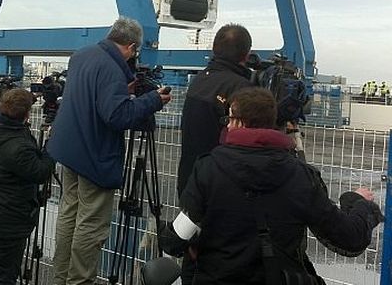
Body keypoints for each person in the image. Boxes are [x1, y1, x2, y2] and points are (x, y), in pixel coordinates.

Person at [160, 87, 384, 285]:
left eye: (229, 119)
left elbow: (177, 239)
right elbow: (349, 239)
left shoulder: (208, 169)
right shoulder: (301, 176)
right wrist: (358, 203)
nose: (227, 125)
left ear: (239, 122)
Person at [48, 17, 171, 285]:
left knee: (70, 213)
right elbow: (117, 116)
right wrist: (152, 100)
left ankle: (61, 277)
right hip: (94, 153)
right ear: (131, 46)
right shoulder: (111, 69)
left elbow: (93, 99)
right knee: (91, 223)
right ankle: (80, 280)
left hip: (69, 149)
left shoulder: (82, 56)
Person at [176, 24, 252, 283]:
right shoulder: (241, 88)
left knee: (192, 255)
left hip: (190, 183)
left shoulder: (200, 80)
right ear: (245, 54)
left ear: (214, 49)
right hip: (222, 192)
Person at [0, 88, 55, 285]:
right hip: (8, 221)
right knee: (4, 276)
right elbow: (41, 172)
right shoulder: (18, 146)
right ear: (26, 114)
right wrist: (50, 147)